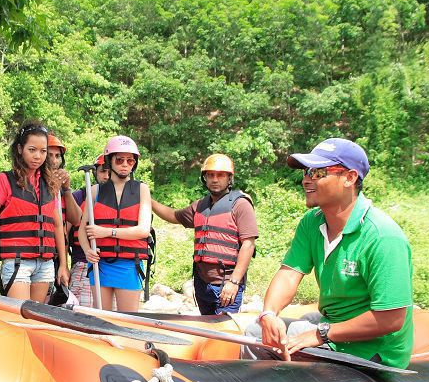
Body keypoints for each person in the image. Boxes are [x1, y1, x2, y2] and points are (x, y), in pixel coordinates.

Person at [256, 138, 414, 369]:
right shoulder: (312, 222)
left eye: (318, 172)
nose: (306, 179)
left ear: (350, 178)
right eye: (306, 172)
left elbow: (391, 319)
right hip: (332, 329)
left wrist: (321, 334)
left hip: (373, 352)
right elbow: (289, 274)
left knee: (268, 345)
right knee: (256, 331)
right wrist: (269, 314)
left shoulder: (383, 237)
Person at [152, 154, 258, 316]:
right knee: (206, 329)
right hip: (202, 285)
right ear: (205, 178)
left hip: (227, 284)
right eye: (211, 175)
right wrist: (149, 201)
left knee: (224, 330)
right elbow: (173, 216)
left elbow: (248, 245)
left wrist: (234, 282)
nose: (215, 179)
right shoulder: (200, 206)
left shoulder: (241, 204)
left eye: (220, 175)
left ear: (229, 178)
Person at [0, 122, 68, 301]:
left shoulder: (49, 184)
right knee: (18, 313)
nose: (38, 156)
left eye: (43, 151)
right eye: (32, 150)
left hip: (45, 264)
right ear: (20, 149)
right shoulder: (6, 179)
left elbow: (58, 226)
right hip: (18, 262)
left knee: (34, 315)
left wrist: (63, 265)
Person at [80, 135, 153, 312]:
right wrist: (87, 250)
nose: (125, 164)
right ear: (109, 161)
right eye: (120, 160)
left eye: (130, 160)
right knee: (100, 319)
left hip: (129, 265)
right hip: (100, 264)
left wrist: (106, 232)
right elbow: (82, 230)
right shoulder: (95, 191)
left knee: (128, 320)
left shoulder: (142, 189)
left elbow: (143, 230)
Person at [65, 154, 108, 307]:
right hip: (83, 263)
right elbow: (65, 233)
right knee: (83, 312)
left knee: (112, 315)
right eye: (103, 171)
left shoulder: (123, 198)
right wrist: (64, 266)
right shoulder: (80, 196)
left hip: (112, 265)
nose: (106, 176)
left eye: (110, 172)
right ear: (95, 172)